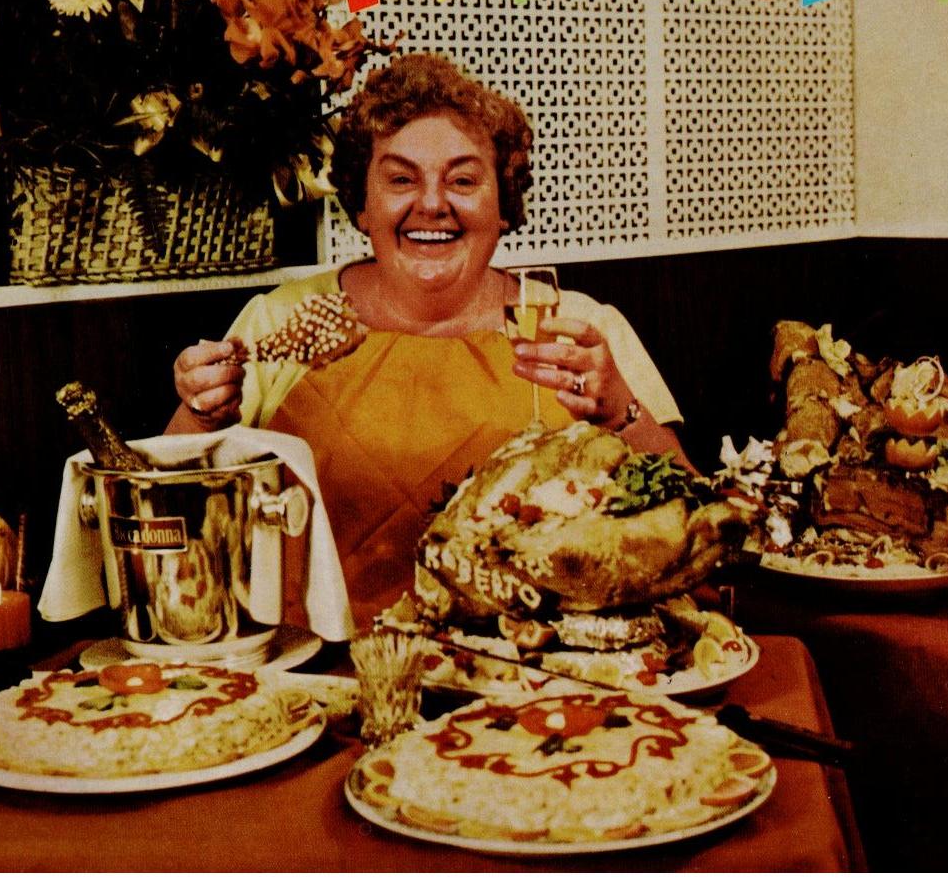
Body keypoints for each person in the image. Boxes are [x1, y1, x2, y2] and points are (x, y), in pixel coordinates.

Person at [168, 53, 691, 624]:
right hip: (310, 656)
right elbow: (170, 518)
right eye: (401, 180)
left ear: (503, 205)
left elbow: (692, 523)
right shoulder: (279, 320)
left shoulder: (577, 327)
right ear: (362, 206)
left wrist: (622, 414)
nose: (433, 204)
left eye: (463, 180)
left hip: (531, 660)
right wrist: (200, 416)